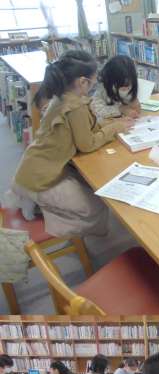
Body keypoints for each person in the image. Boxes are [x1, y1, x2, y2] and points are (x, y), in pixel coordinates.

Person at [9, 50, 133, 238]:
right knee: (96, 205)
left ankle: (36, 200)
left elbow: (86, 128)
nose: (94, 85)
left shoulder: (62, 97)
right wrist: (115, 127)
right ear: (83, 82)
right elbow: (87, 144)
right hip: (39, 180)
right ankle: (39, 205)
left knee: (88, 188)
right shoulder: (75, 107)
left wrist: (113, 124)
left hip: (32, 169)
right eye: (93, 81)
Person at [90, 55, 141, 123]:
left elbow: (135, 107)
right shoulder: (102, 89)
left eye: (129, 83)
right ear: (110, 79)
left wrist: (135, 106)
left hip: (126, 121)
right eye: (121, 84)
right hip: (106, 123)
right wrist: (121, 109)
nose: (127, 87)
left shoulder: (131, 85)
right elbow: (97, 110)